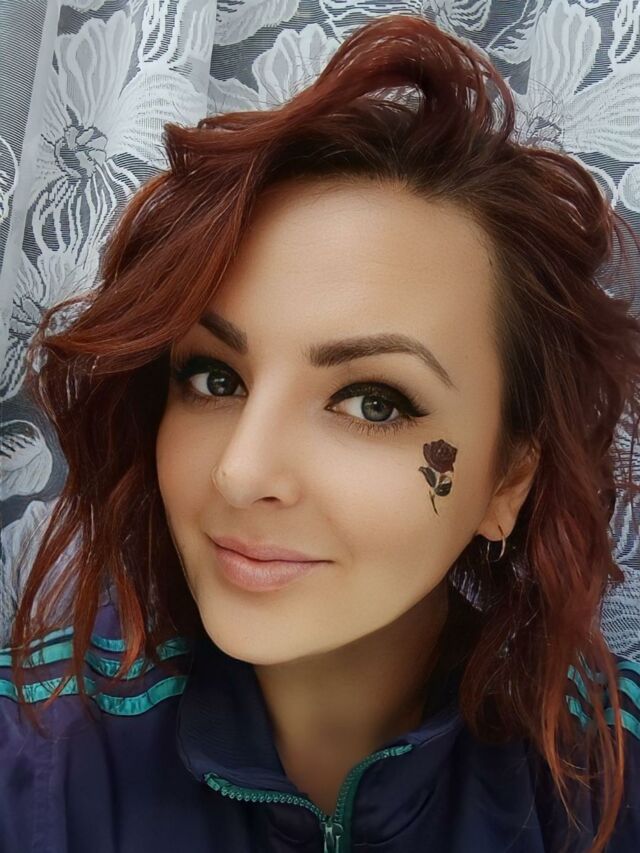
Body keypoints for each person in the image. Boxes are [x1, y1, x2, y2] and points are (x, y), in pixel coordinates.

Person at [1, 12, 639, 853]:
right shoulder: (35, 762)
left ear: (508, 478)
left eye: (372, 402)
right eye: (214, 378)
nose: (240, 471)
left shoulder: (601, 779)